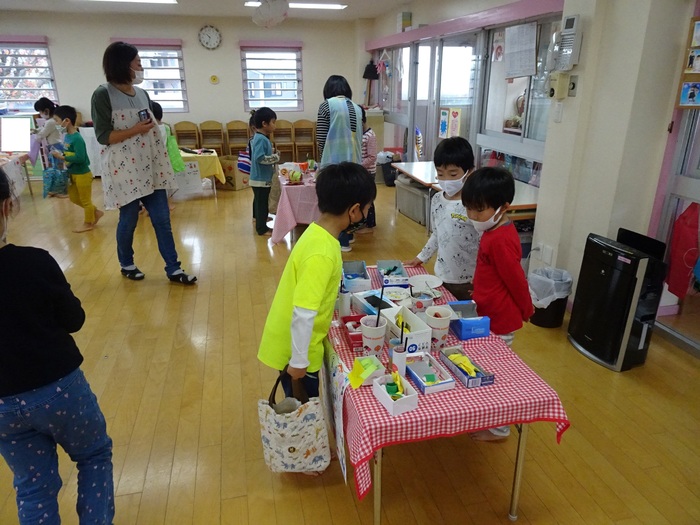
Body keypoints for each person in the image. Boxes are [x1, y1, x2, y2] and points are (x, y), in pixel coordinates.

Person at [0, 166, 115, 524]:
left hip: (2, 407)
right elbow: (74, 320)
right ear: (6, 206)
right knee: (93, 456)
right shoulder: (33, 262)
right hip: (59, 391)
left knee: (32, 486)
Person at [258, 162, 376, 401]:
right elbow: (303, 311)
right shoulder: (321, 252)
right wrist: (299, 361)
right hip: (295, 351)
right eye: (367, 208)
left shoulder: (317, 233)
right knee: (303, 409)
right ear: (354, 210)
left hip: (294, 341)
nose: (366, 214)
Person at [91, 41, 196, 285]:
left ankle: (174, 269)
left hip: (150, 166)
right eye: (137, 62)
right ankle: (126, 263)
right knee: (129, 219)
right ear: (122, 64)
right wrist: (136, 129)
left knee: (162, 220)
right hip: (123, 169)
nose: (141, 67)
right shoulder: (102, 94)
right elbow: (103, 136)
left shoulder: (142, 94)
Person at [461, 166, 534, 442]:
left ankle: (499, 428)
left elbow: (516, 280)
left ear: (503, 207)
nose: (471, 215)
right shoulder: (492, 231)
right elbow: (492, 273)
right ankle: (487, 417)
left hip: (500, 320)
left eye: (478, 210)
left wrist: (527, 310)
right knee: (484, 367)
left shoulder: (501, 239)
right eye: (468, 208)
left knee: (497, 374)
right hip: (487, 312)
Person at [404, 136, 479, 301]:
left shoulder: (474, 205)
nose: (446, 180)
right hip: (441, 276)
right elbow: (438, 233)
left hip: (469, 280)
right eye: (440, 174)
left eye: (453, 174)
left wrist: (482, 273)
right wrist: (422, 257)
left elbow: (485, 242)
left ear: (469, 172)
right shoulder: (437, 199)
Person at [316, 75, 363, 251]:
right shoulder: (357, 108)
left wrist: (321, 163)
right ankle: (348, 236)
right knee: (350, 199)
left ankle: (340, 241)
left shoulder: (326, 105)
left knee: (335, 202)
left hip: (334, 161)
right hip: (355, 161)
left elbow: (321, 138)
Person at [50, 105, 104, 233]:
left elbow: (81, 158)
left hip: (82, 174)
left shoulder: (77, 138)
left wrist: (62, 156)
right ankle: (96, 212)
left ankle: (88, 223)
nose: (56, 123)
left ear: (67, 121)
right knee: (74, 198)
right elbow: (69, 152)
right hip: (72, 173)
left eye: (57, 120)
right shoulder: (67, 136)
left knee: (85, 201)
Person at [249, 107, 280, 236]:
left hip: (260, 178)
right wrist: (275, 157)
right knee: (262, 203)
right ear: (264, 124)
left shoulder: (260, 138)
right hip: (260, 179)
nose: (275, 125)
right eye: (273, 122)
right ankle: (262, 228)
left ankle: (259, 219)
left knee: (259, 201)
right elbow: (259, 158)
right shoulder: (261, 139)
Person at [32, 97, 67, 197]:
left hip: (55, 147)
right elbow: (43, 130)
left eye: (40, 111)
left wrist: (35, 136)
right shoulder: (51, 121)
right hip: (54, 146)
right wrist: (35, 131)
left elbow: (43, 133)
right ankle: (56, 189)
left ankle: (60, 191)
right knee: (55, 169)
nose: (40, 114)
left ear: (46, 111)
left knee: (58, 170)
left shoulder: (50, 122)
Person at [357, 105, 377, 234]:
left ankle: (369, 225)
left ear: (362, 121)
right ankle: (362, 224)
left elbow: (372, 157)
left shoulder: (370, 135)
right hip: (360, 171)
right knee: (360, 198)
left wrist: (359, 165)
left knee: (368, 198)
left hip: (368, 172)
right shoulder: (358, 135)